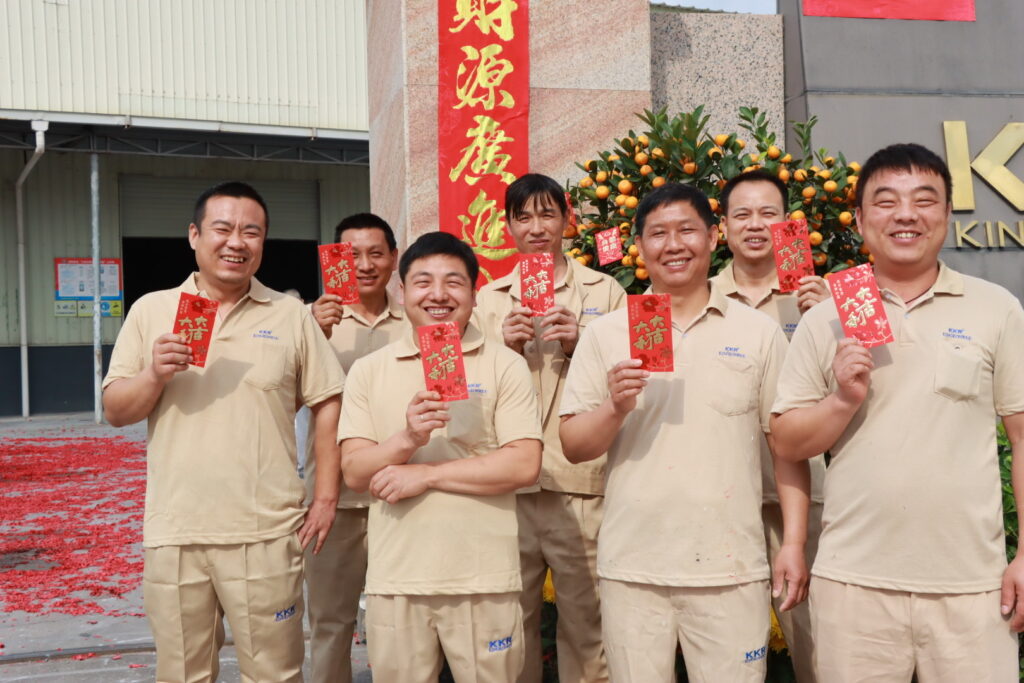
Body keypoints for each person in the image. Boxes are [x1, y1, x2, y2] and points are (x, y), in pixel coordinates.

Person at [771, 142, 1024, 682]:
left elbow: (1022, 438)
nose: (906, 214)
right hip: (853, 585)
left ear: (947, 214)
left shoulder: (995, 307)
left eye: (924, 199)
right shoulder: (827, 318)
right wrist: (841, 399)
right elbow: (787, 443)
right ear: (860, 219)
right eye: (885, 201)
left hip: (971, 587)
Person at [559, 182, 810, 682]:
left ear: (713, 237)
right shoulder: (607, 333)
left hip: (730, 567)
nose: (673, 245)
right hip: (633, 567)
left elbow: (785, 444)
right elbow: (573, 445)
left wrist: (793, 543)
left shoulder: (756, 332)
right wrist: (615, 407)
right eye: (657, 234)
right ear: (639, 246)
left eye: (686, 231)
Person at [102, 181, 344, 682]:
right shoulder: (152, 310)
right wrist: (154, 374)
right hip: (176, 532)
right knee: (183, 674)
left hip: (266, 531)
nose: (237, 242)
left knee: (274, 673)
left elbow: (327, 400)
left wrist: (325, 497)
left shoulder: (291, 317)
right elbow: (115, 410)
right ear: (194, 235)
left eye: (251, 232)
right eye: (223, 228)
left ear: (262, 244)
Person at [339, 231, 543, 683]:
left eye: (453, 282)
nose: (438, 294)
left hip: (484, 580)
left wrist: (427, 475)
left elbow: (524, 464)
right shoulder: (369, 371)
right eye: (423, 282)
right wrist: (407, 439)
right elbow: (354, 472)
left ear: (474, 291)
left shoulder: (504, 364)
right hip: (398, 581)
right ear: (403, 291)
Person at [475, 173, 626, 682]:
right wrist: (504, 349)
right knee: (508, 627)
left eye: (547, 214)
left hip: (581, 486)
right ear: (509, 226)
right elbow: (469, 389)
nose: (536, 227)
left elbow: (632, 380)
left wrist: (583, 341)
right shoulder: (487, 302)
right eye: (524, 217)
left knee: (589, 628)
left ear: (567, 218)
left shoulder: (605, 290)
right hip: (509, 488)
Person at [711, 169, 830, 682]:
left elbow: (857, 388)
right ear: (722, 228)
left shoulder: (820, 295)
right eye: (742, 214)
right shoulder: (693, 293)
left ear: (788, 223)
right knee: (725, 643)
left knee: (817, 636)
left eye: (768, 213)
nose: (755, 225)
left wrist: (828, 320)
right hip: (724, 493)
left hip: (807, 491)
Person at [303, 212, 406, 683]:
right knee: (330, 622)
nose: (365, 264)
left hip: (401, 492)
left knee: (401, 626)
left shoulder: (417, 323)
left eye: (376, 253)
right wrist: (313, 335)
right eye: (352, 254)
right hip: (333, 498)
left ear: (394, 258)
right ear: (335, 261)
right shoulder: (310, 322)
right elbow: (278, 400)